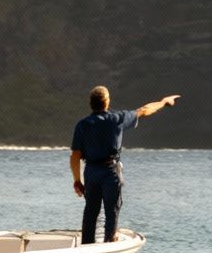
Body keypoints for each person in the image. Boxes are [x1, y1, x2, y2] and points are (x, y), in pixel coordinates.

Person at [71, 85, 179, 244]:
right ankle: (110, 240)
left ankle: (87, 245)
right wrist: (163, 102)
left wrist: (77, 180)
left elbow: (75, 156)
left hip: (91, 172)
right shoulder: (117, 119)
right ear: (107, 101)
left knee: (91, 212)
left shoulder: (82, 125)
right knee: (111, 210)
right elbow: (144, 110)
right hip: (110, 171)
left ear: (91, 103)